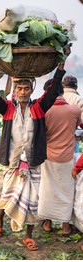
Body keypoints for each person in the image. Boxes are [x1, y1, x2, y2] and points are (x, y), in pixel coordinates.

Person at [0, 46, 71, 251]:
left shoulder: (39, 107)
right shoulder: (7, 109)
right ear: (15, 91)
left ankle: (28, 235)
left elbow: (54, 86)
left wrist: (62, 61)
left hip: (32, 162)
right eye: (19, 89)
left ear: (32, 90)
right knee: (6, 194)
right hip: (13, 162)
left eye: (26, 89)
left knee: (33, 200)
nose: (22, 92)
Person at [37, 79, 81, 235]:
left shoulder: (44, 111)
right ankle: (65, 226)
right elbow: (79, 127)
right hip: (67, 158)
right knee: (66, 190)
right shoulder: (75, 110)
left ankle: (48, 223)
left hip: (48, 157)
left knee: (48, 190)